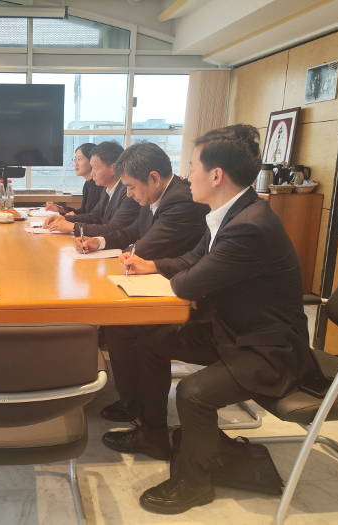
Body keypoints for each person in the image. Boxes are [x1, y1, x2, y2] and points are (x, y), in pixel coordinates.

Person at [103, 125, 321, 515]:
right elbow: (191, 262)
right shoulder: (226, 214)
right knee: (152, 343)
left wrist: (174, 274)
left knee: (193, 393)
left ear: (216, 175)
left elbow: (189, 282)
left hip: (266, 348)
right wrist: (152, 265)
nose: (187, 177)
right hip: (229, 331)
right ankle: (153, 435)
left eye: (192, 168)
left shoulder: (250, 226)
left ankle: (194, 484)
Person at [74, 142, 209, 423]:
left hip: (186, 291)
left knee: (125, 326)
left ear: (154, 178)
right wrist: (99, 242)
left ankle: (136, 405)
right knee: (118, 326)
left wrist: (127, 254)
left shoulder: (181, 200)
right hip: (164, 277)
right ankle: (132, 398)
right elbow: (133, 232)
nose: (129, 194)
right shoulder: (154, 197)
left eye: (131, 187)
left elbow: (147, 246)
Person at [44, 141, 139, 236]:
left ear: (113, 168)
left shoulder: (128, 193)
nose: (92, 173)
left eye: (95, 168)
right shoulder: (107, 189)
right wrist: (64, 218)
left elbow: (114, 228)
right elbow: (93, 216)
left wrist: (73, 227)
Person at [45, 143, 103, 216]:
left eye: (79, 159)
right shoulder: (87, 184)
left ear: (92, 160)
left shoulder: (100, 185)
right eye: (75, 160)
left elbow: (94, 217)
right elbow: (83, 212)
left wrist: (65, 218)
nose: (76, 164)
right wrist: (59, 209)